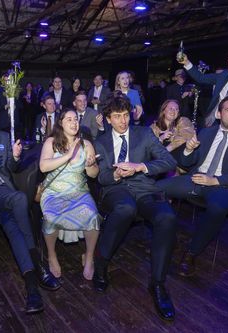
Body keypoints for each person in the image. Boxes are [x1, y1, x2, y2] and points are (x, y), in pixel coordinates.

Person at [0, 99, 61, 314]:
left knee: (13, 226)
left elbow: (10, 168)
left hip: (5, 192)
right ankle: (38, 261)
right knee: (19, 199)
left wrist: (15, 156)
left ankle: (32, 288)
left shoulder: (3, 137)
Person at [157, 96, 228, 277]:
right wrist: (188, 150)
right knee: (156, 188)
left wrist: (215, 180)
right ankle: (167, 235)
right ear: (219, 113)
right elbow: (185, 164)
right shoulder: (207, 133)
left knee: (217, 207)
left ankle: (191, 253)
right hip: (197, 179)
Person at [93, 94, 177, 321]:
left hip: (145, 189)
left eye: (125, 115)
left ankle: (158, 284)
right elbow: (101, 177)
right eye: (117, 117)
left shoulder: (144, 134)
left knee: (167, 217)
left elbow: (169, 162)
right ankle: (101, 263)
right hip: (116, 190)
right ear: (108, 119)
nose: (122, 121)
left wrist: (140, 166)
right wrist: (116, 174)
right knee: (125, 209)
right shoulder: (100, 141)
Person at [39, 109, 101, 281]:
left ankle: (89, 257)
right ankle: (52, 255)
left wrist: (91, 164)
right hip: (54, 192)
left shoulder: (86, 144)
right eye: (69, 119)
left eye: (76, 119)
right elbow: (43, 167)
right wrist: (68, 155)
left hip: (79, 191)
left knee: (93, 215)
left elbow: (93, 175)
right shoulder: (51, 142)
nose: (74, 123)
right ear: (61, 123)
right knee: (50, 217)